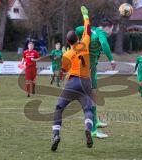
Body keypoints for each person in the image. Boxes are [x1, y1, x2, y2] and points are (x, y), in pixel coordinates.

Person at [51, 6, 93, 151]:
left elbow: (62, 71)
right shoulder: (85, 43)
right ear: (77, 38)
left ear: (68, 42)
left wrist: (65, 55)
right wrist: (85, 16)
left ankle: (55, 135)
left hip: (72, 82)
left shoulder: (67, 54)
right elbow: (88, 30)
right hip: (86, 82)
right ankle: (88, 128)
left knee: (59, 108)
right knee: (88, 109)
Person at [75, 18, 116, 138]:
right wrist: (111, 59)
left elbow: (77, 29)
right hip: (86, 69)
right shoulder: (102, 33)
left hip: (91, 68)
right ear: (107, 27)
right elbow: (104, 44)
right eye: (112, 29)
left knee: (93, 95)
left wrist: (78, 41)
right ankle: (92, 130)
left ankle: (95, 122)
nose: (111, 32)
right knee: (90, 98)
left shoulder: (90, 29)